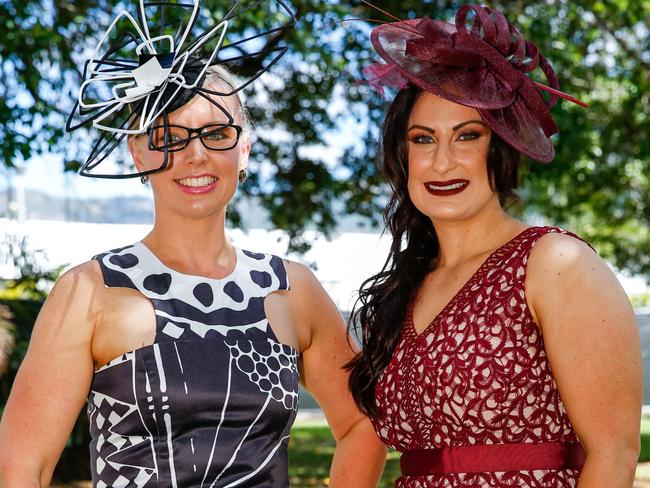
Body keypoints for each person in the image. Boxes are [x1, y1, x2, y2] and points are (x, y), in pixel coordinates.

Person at [0, 1, 386, 486]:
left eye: (217, 133)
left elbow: (362, 423)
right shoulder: (88, 293)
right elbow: (21, 468)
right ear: (139, 152)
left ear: (244, 148)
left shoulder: (294, 289)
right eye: (171, 136)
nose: (196, 155)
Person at [346, 5, 642, 487]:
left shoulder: (554, 262)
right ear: (405, 157)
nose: (442, 161)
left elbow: (614, 453)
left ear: (499, 148)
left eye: (467, 136)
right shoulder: (407, 283)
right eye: (423, 140)